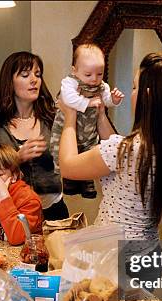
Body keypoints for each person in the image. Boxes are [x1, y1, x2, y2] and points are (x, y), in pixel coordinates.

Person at [58, 53, 162, 240]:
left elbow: (68, 166)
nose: (131, 93)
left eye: (135, 87)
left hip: (113, 253)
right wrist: (101, 116)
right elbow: (120, 154)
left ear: (148, 96)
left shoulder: (125, 150)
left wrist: (70, 116)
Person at [0, 51, 69, 221]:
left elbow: (75, 154)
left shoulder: (52, 119)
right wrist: (16, 157)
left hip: (53, 210)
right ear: (9, 82)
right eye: (25, 75)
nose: (34, 80)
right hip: (9, 210)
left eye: (37, 75)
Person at [50, 43, 124, 199]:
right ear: (74, 70)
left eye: (99, 74)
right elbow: (68, 99)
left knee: (89, 150)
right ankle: (69, 180)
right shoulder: (70, 83)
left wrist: (114, 99)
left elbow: (105, 100)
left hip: (89, 127)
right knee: (65, 150)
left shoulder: (101, 86)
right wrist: (87, 103)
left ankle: (87, 182)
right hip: (68, 126)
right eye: (88, 74)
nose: (94, 79)